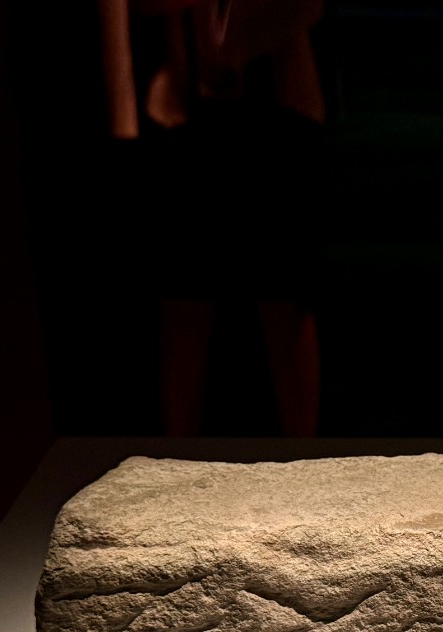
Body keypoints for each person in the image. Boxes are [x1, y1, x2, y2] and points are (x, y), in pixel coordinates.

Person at [98, 0, 326, 436]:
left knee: (286, 298)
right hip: (182, 102)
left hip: (279, 99)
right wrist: (123, 124)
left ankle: (303, 453)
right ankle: (180, 454)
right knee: (185, 299)